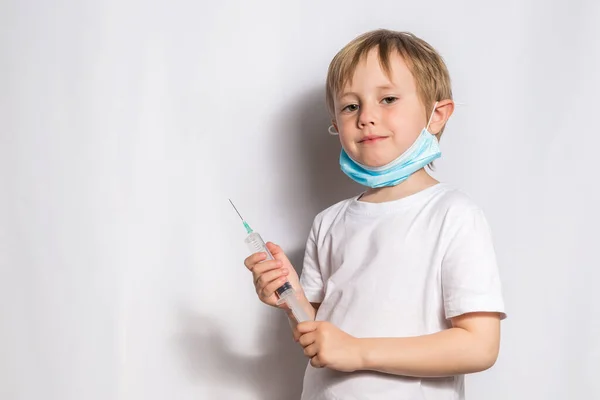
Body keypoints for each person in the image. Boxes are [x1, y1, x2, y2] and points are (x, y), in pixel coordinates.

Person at [243, 29, 506, 400]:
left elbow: (479, 346)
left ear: (437, 115)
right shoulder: (329, 222)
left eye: (388, 99)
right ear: (336, 123)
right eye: (351, 106)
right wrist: (290, 298)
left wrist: (358, 351)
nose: (366, 116)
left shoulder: (453, 215)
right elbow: (320, 335)